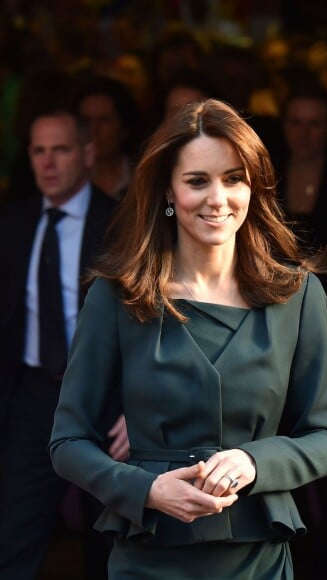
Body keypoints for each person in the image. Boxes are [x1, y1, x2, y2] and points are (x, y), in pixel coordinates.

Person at [49, 98, 327, 579]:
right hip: (148, 556)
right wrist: (144, 490)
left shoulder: (297, 294)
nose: (218, 198)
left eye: (233, 178)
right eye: (197, 181)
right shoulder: (116, 296)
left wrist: (255, 461)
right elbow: (68, 442)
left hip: (258, 558)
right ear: (168, 189)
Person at [0, 105, 128, 579]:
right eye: (38, 151)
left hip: (104, 396)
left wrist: (134, 405)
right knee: (13, 535)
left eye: (61, 150)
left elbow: (150, 322)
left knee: (110, 541)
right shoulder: (12, 225)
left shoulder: (122, 224)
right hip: (33, 400)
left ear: (88, 153)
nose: (48, 163)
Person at [74, 74, 141, 200]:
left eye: (104, 120)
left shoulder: (144, 180)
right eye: (85, 121)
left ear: (124, 128)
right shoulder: (65, 181)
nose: (93, 130)